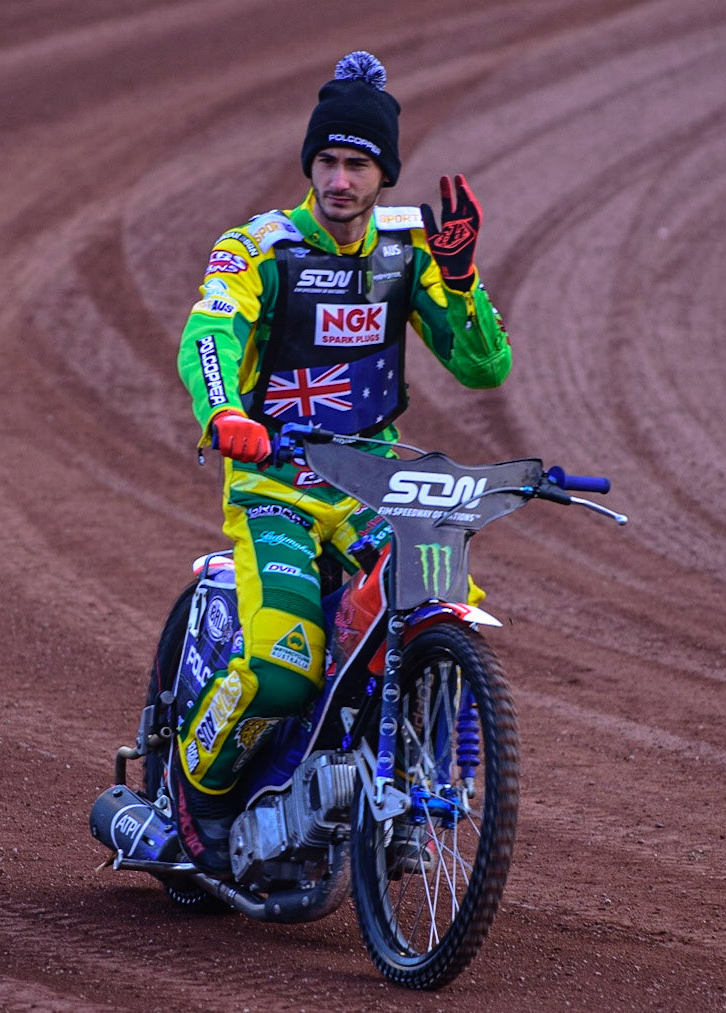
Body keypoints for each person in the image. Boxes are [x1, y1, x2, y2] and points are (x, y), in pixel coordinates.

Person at [174, 51, 513, 874]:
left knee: (441, 600)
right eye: (326, 161)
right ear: (309, 165)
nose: (339, 179)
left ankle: (421, 789)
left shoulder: (410, 251)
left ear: (382, 173)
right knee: (282, 665)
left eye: (357, 164)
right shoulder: (257, 245)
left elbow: (482, 368)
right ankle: (196, 797)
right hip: (275, 479)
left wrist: (462, 279)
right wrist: (224, 411)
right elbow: (208, 333)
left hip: (373, 478)